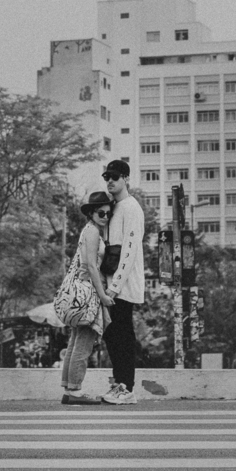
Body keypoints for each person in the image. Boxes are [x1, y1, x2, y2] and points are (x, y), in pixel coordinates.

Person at [60, 191, 115, 405]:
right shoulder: (92, 231)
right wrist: (102, 295)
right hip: (88, 290)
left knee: (76, 340)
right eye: (101, 212)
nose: (105, 216)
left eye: (108, 213)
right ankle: (75, 390)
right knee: (84, 341)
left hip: (81, 290)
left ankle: (69, 387)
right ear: (91, 213)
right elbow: (91, 265)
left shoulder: (90, 230)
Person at [99, 160, 146, 405]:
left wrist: (114, 286)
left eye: (115, 177)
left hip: (122, 287)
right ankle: (120, 383)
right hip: (110, 285)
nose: (110, 181)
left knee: (123, 336)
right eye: (107, 176)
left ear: (126, 178)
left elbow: (128, 251)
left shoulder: (131, 208)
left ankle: (126, 387)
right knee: (112, 335)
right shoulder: (114, 208)